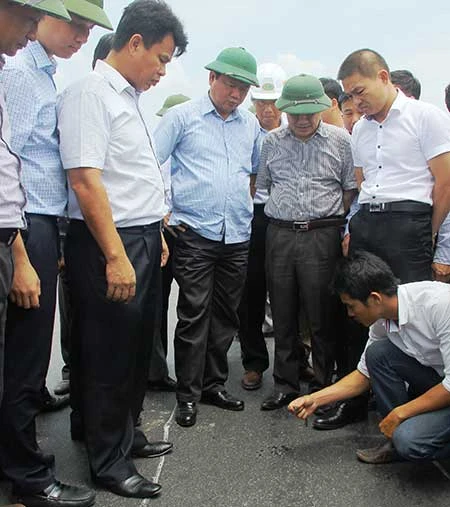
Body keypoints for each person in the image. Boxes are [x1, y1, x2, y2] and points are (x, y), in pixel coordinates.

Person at [57, 0, 187, 498]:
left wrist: (154, 234)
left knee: (133, 348)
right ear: (134, 43)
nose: (162, 71)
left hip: (139, 236)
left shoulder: (126, 97)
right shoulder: (91, 94)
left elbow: (132, 177)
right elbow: (85, 180)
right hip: (109, 240)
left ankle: (120, 434)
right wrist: (115, 255)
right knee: (108, 352)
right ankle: (108, 461)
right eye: (161, 58)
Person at [313, 48, 450, 431]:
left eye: (360, 92)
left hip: (410, 222)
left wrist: (429, 233)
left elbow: (445, 183)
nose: (356, 103)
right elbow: (362, 183)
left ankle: (415, 413)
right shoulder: (361, 129)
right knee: (356, 311)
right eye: (350, 96)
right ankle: (356, 402)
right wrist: (354, 228)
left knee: (407, 316)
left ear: (384, 78)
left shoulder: (426, 117)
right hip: (368, 222)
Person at [154, 46, 262, 427]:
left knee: (226, 315)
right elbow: (150, 164)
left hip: (237, 235)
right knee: (194, 313)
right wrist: (164, 210)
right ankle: (188, 394)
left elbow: (253, 172)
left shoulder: (250, 125)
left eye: (243, 89)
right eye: (230, 84)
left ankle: (214, 384)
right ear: (212, 78)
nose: (236, 94)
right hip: (194, 233)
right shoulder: (182, 117)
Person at [289, 251, 450, 465]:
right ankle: (401, 435)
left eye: (351, 306)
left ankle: (407, 437)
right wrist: (315, 399)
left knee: (408, 441)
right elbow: (364, 374)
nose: (350, 314)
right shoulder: (382, 318)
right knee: (378, 354)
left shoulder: (440, 305)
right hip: (439, 380)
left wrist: (401, 413)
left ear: (375, 298)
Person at [257, 74, 357, 411]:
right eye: (295, 114)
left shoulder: (340, 140)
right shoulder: (271, 142)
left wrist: (327, 220)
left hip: (322, 235)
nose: (302, 120)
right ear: (284, 110)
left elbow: (349, 188)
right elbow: (264, 184)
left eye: (309, 113)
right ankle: (285, 384)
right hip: (280, 234)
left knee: (322, 313)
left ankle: (323, 385)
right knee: (282, 311)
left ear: (322, 108)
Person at [54, 30, 116, 399]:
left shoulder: (122, 105)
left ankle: (94, 387)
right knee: (75, 308)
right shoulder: (81, 98)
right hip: (74, 224)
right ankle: (72, 373)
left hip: (108, 224)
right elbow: (73, 177)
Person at [238, 62, 286, 391]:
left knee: (288, 293)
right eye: (260, 102)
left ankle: (293, 361)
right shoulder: (242, 130)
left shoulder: (296, 130)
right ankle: (253, 362)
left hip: (284, 219)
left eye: (273, 102)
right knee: (251, 293)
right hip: (252, 216)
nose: (267, 109)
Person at [147, 93, 190, 393]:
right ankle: (155, 370)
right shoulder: (154, 151)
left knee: (192, 305)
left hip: (189, 233)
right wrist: (161, 216)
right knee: (156, 303)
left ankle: (192, 371)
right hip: (161, 231)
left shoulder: (196, 150)